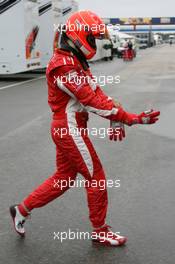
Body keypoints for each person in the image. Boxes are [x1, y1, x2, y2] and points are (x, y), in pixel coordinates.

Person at [10, 10, 160, 246]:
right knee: (97, 177)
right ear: (81, 35)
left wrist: (116, 117)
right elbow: (91, 100)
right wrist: (131, 118)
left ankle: (21, 209)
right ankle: (100, 230)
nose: (95, 43)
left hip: (70, 127)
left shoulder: (75, 60)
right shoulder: (64, 65)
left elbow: (96, 93)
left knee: (64, 178)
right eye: (93, 38)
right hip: (68, 128)